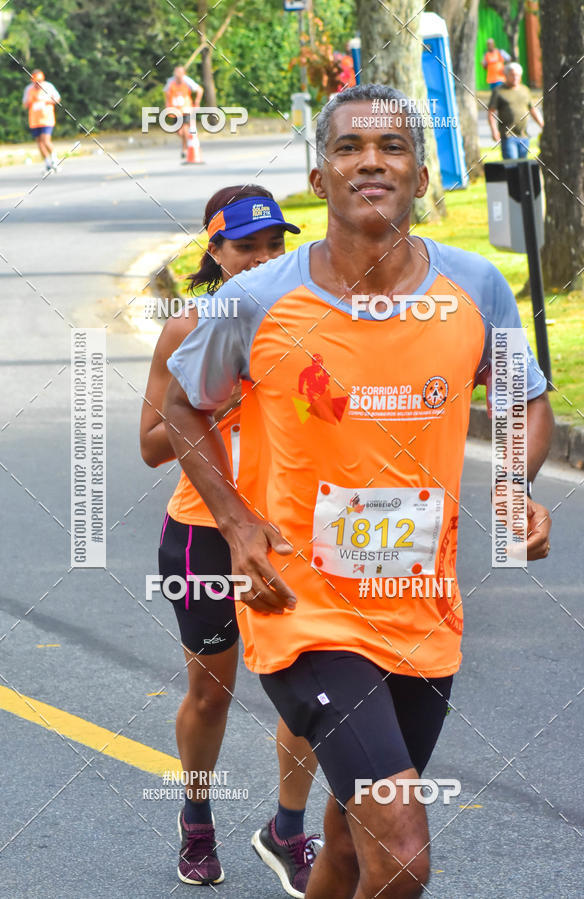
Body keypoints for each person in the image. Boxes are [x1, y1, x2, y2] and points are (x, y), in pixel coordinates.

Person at [164, 82, 554, 897]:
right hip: (300, 607)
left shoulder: (476, 289)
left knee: (347, 843)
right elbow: (180, 405)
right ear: (320, 178)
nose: (370, 162)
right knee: (403, 848)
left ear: (419, 176)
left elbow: (521, 401)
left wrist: (514, 482)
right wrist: (235, 524)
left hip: (422, 610)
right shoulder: (255, 300)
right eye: (348, 147)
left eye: (392, 148)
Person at [140, 184, 320, 893]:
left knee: (312, 691)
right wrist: (228, 395)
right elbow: (154, 443)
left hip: (287, 535)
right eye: (246, 246)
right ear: (214, 251)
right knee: (211, 694)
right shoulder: (189, 328)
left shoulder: (308, 321)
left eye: (275, 245)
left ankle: (288, 827)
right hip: (203, 537)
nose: (262, 259)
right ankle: (196, 819)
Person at [488, 62, 544, 160]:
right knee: (512, 166)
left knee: (523, 166)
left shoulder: (525, 90)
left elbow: (533, 110)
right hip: (508, 136)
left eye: (517, 75)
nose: (515, 77)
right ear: (506, 75)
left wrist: (543, 125)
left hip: (524, 136)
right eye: (512, 75)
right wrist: (494, 130)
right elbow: (491, 112)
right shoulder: (499, 91)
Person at [22, 70, 60, 172]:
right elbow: (25, 105)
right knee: (39, 143)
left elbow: (57, 99)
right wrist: (31, 100)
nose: (37, 84)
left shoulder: (48, 86)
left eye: (39, 81)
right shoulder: (29, 89)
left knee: (46, 140)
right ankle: (47, 163)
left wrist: (47, 101)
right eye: (35, 82)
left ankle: (54, 160)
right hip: (34, 120)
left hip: (47, 118)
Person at [164, 65, 204, 161]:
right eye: (176, 72)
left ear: (183, 73)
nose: (177, 75)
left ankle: (184, 149)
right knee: (178, 131)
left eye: (179, 73)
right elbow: (166, 93)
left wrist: (197, 102)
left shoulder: (187, 81)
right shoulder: (171, 82)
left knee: (185, 129)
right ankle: (186, 143)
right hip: (175, 111)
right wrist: (167, 105)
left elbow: (200, 90)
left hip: (186, 109)